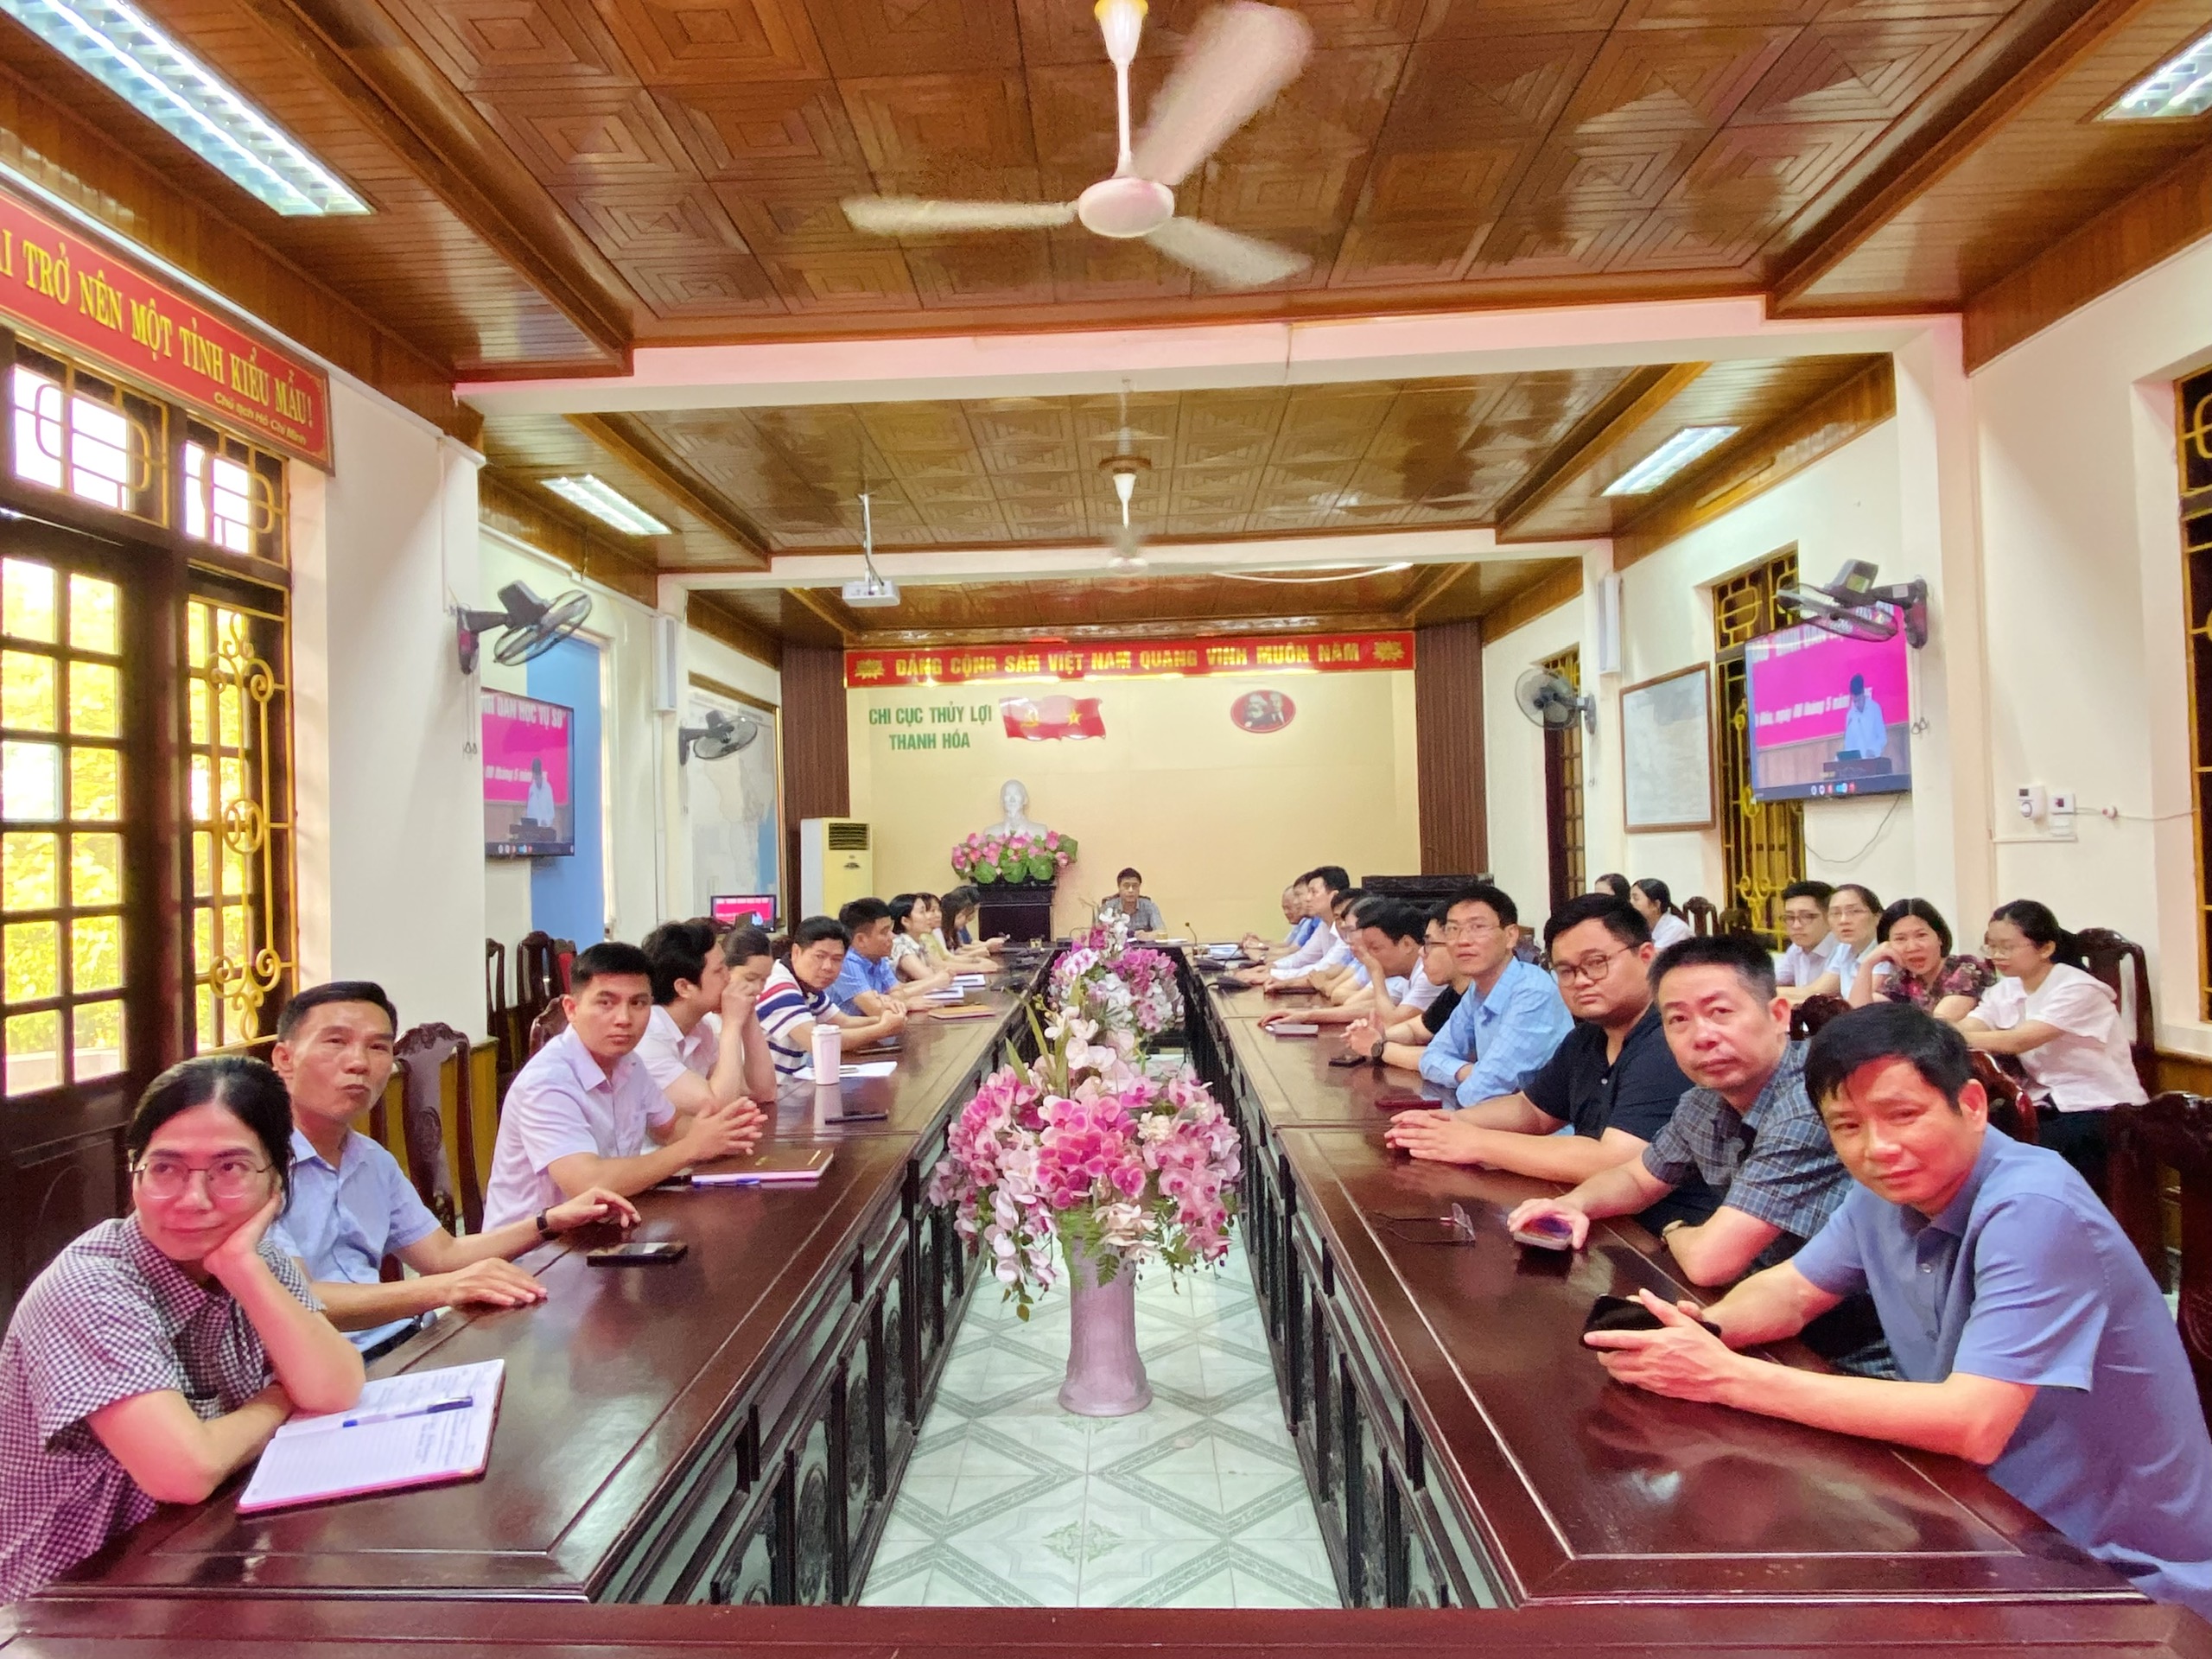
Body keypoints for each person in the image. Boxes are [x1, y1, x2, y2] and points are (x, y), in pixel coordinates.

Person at [1585, 1004, 2212, 1622]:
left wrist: (1724, 1376)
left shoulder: (2034, 1208)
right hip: (1978, 1514)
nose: (1878, 1148)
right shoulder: (1887, 1193)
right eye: (1848, 1126)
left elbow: (1972, 1422)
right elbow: (1794, 1291)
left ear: (1970, 1105)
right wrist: (1701, 1331)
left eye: (1903, 1115)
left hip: (2117, 1577)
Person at [0, 1055, 365, 1602]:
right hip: (64, 1597)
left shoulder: (252, 1256)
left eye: (230, 1168)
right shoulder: (90, 1286)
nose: (193, 1200)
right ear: (134, 1175)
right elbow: (185, 1473)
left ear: (277, 1180)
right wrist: (282, 1396)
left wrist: (243, 1270)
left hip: (194, 1555)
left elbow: (336, 1387)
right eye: (165, 1169)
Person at [1504, 935, 1877, 1369]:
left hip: (1855, 1354)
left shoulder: (1812, 1101)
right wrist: (1574, 1205)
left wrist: (1675, 1229)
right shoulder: (1705, 1100)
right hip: (1771, 1316)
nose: (1702, 1036)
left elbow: (1709, 1261)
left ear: (1778, 1015)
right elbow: (1637, 1178)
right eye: (1678, 1019)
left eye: (1720, 1013)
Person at [267, 981, 640, 1357]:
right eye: (336, 1042)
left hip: (404, 1345)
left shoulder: (371, 1160)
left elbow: (443, 1254)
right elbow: (300, 1298)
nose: (359, 1063)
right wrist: (446, 1289)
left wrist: (550, 1221)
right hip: (323, 1368)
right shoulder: (256, 1169)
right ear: (284, 1059)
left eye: (378, 1047)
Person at [1386, 894, 1719, 1231]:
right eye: (1566, 970)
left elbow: (1613, 1159)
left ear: (1647, 957)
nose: (1581, 980)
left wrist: (1475, 1143)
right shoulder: (1588, 1037)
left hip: (1668, 1233)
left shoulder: (1669, 1041)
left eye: (1596, 963)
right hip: (1598, 1215)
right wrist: (1447, 1125)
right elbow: (1533, 1109)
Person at [481, 943, 766, 1230]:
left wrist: (724, 1132)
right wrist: (693, 1147)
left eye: (638, 1004)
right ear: (571, 1008)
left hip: (605, 1228)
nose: (624, 1019)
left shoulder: (629, 1063)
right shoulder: (546, 1081)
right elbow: (587, 1183)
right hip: (538, 1247)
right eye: (606, 1003)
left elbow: (670, 1128)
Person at [1961, 899, 2147, 1191]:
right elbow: (1971, 1025)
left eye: (2007, 947)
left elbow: (2020, 1040)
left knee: (2023, 1159)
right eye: (1991, 946)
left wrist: (1957, 1036)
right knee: (1973, 1137)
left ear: (2046, 948)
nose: (1996, 956)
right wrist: (1949, 1031)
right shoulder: (2006, 988)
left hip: (2100, 1104)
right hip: (2046, 1100)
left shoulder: (2077, 988)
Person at [1417, 884, 1573, 1108]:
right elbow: (1430, 1059)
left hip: (1543, 1127)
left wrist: (1476, 1076)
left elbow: (1482, 1091)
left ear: (1510, 936)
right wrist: (1470, 1072)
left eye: (1477, 927)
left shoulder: (1533, 992)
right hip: (1493, 1119)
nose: (1463, 940)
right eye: (1453, 929)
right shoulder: (1477, 989)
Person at [638, 919, 777, 1110]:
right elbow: (717, 1104)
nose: (729, 978)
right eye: (719, 971)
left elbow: (762, 1093)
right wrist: (732, 1024)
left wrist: (748, 1014)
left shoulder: (700, 1029)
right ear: (684, 987)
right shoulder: (648, 1038)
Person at [760, 915, 907, 1078]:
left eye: (837, 959)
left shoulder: (807, 984)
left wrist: (887, 1017)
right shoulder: (780, 986)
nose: (827, 967)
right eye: (820, 956)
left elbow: (843, 1022)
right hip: (776, 1089)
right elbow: (818, 1042)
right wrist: (882, 1029)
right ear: (796, 952)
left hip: (794, 1082)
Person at [1343, 909, 1466, 1071]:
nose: (1421, 951)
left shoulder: (1482, 992)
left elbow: (1452, 1060)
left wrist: (1380, 1048)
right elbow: (1415, 1030)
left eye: (1429, 944)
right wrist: (1379, 1036)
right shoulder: (1455, 992)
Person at [1846, 898, 1993, 1023]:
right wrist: (1867, 964)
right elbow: (1857, 1018)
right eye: (1900, 939)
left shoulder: (1967, 969)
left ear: (1940, 937)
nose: (1912, 947)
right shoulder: (1903, 977)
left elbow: (1937, 1027)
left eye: (1921, 936)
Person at [832, 896, 943, 1010]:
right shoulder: (846, 962)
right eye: (884, 932)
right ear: (861, 940)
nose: (892, 936)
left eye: (890, 929)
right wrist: (904, 1004)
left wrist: (888, 1000)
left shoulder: (879, 958)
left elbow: (897, 991)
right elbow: (875, 1009)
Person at [1802, 883, 1882, 999]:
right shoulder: (1845, 948)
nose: (1843, 920)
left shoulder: (1884, 954)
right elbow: (1816, 991)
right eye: (1835, 913)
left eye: (1854, 911)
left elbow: (1862, 1003)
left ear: (1877, 917)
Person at [1774, 880, 1839, 1001]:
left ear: (1830, 918)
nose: (1796, 925)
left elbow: (1815, 994)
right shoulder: (1796, 948)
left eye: (1807, 917)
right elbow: (1772, 980)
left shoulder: (1843, 949)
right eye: (1790, 917)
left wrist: (1764, 991)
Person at [887, 893, 957, 989]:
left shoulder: (919, 942)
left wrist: (944, 973)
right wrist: (942, 975)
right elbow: (929, 977)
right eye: (922, 912)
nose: (928, 917)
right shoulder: (900, 944)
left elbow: (937, 967)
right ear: (905, 921)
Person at [1630, 878, 1692, 952]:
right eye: (1630, 898)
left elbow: (1651, 957)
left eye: (1636, 899)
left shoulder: (1675, 928)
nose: (1630, 903)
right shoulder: (1641, 926)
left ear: (1656, 904)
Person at [1098, 868, 1164, 936]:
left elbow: (1162, 932)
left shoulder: (1149, 906)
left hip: (1143, 942)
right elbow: (1098, 934)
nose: (1131, 890)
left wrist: (1147, 936)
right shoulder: (1109, 907)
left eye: (1135, 886)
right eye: (1126, 886)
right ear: (1119, 887)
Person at [1840, 672, 1887, 760]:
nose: (1857, 704)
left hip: (1874, 761)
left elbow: (1882, 738)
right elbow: (1848, 744)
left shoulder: (1874, 709)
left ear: (1863, 694)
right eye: (1854, 701)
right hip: (1856, 763)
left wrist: (1874, 750)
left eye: (1859, 700)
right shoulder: (1850, 715)